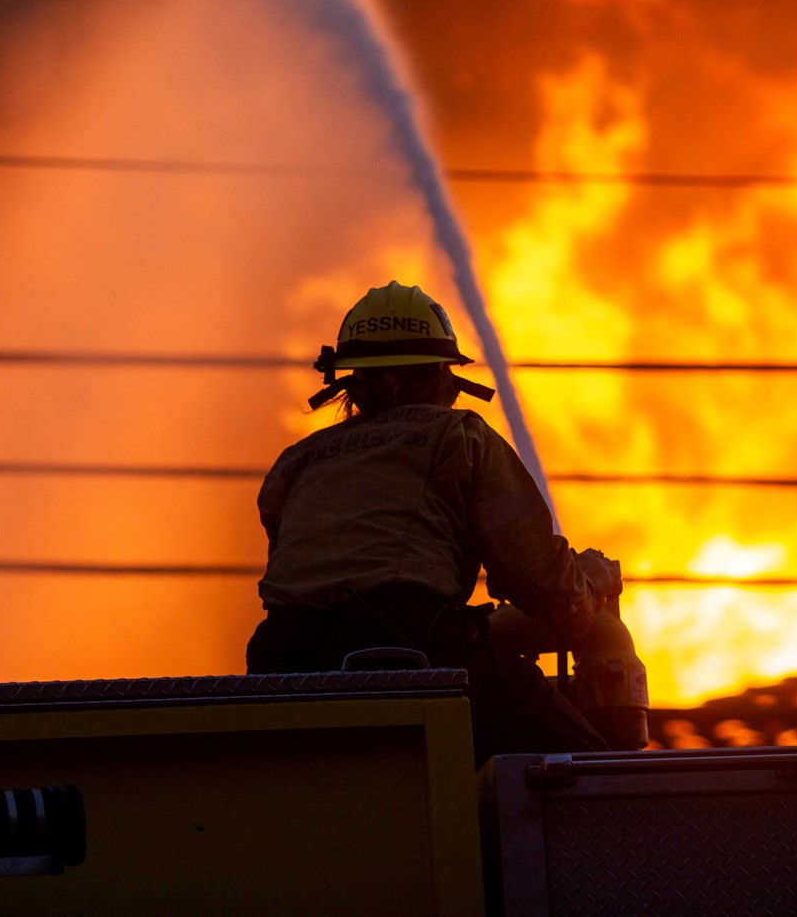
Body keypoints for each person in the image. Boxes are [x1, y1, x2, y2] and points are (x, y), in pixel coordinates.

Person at [245, 280, 622, 763]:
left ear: (349, 382)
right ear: (439, 375)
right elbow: (538, 577)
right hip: (413, 651)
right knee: (586, 767)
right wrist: (586, 587)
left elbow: (303, 572)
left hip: (285, 666)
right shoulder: (460, 437)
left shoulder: (295, 462)